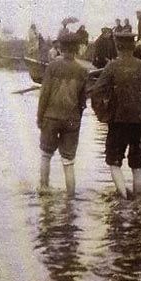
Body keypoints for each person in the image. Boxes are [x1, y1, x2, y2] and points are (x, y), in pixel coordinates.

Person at [90, 31, 141, 198]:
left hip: (118, 122)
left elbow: (97, 92)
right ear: (134, 46)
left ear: (118, 47)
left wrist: (103, 114)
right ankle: (138, 204)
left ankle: (123, 200)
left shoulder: (112, 67)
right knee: (137, 165)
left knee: (114, 162)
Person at [36, 33, 90, 196]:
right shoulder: (82, 70)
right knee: (68, 162)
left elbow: (44, 94)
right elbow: (82, 101)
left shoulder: (53, 67)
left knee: (46, 155)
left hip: (51, 117)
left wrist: (39, 117)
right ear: (76, 49)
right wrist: (77, 119)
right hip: (72, 120)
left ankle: (44, 188)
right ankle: (71, 198)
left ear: (61, 47)